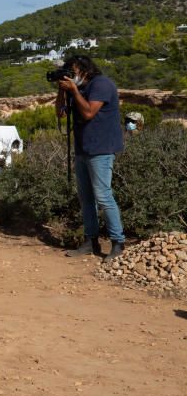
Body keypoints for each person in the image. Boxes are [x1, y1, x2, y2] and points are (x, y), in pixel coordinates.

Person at [56, 55, 125, 261]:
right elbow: (61, 114)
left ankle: (117, 242)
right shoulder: (76, 89)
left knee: (103, 196)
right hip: (83, 149)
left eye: (74, 71)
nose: (72, 75)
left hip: (101, 149)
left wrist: (74, 91)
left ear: (85, 70)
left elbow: (88, 113)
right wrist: (62, 91)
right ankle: (90, 241)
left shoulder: (101, 84)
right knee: (86, 198)